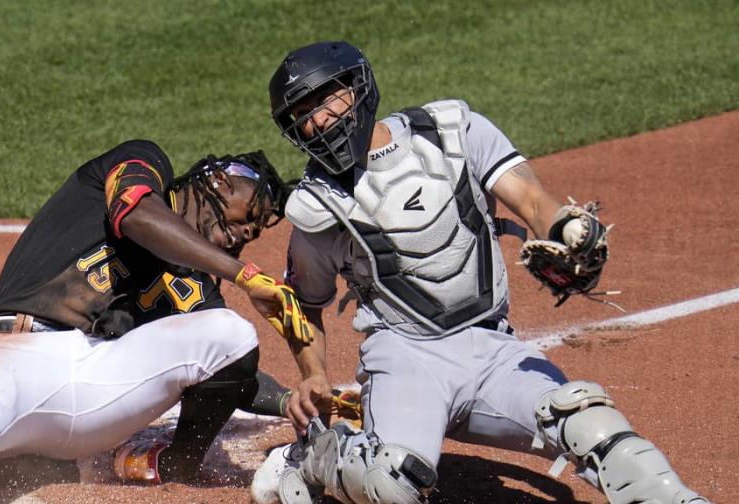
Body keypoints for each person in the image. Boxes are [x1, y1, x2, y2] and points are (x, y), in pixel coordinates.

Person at [251, 41, 709, 504]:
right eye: (302, 115)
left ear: (358, 86)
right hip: (405, 357)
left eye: (325, 100)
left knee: (590, 423)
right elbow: (304, 305)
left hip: (492, 350)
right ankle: (313, 458)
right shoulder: (318, 207)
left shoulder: (451, 133)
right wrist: (313, 374)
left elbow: (533, 202)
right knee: (390, 481)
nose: (318, 121)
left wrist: (566, 229)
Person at [0, 139, 312, 504]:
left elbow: (228, 371)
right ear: (217, 181)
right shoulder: (142, 163)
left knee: (230, 332)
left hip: (94, 390)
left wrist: (293, 401)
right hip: (11, 354)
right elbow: (136, 217)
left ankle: (175, 465)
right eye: (250, 213)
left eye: (257, 230)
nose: (250, 232)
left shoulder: (191, 284)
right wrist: (242, 274)